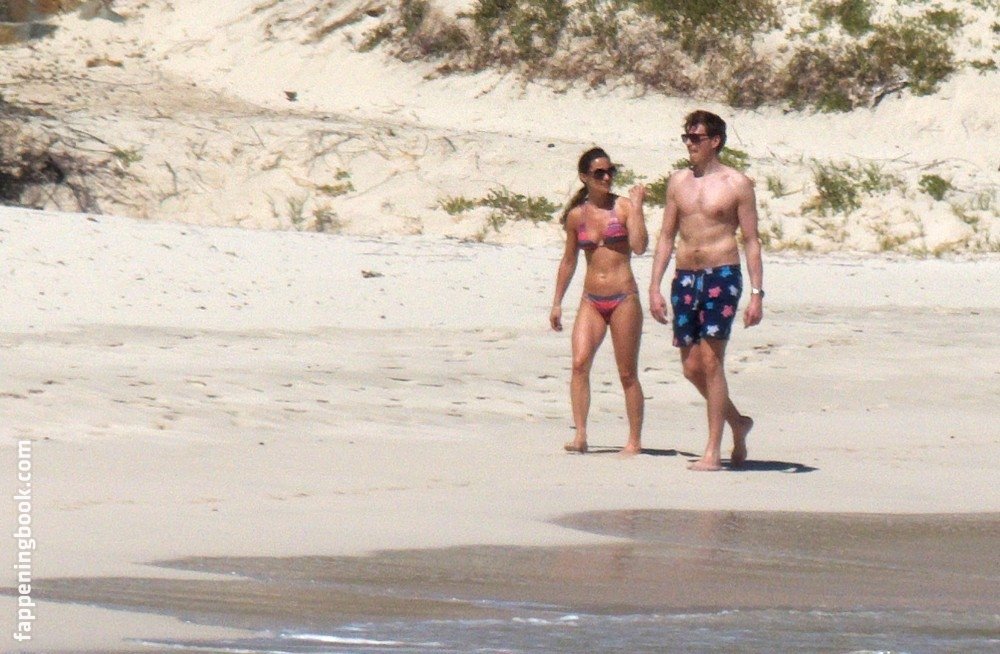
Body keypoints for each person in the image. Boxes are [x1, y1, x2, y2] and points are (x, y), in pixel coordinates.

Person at [648, 110, 764, 471]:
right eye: (687, 137)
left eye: (696, 138)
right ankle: (738, 423)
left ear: (715, 141)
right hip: (685, 276)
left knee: (712, 362)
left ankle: (713, 450)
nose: (690, 144)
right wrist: (654, 286)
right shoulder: (677, 182)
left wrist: (757, 293)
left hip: (722, 275)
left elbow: (752, 240)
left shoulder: (737, 184)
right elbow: (666, 236)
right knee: (690, 367)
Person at [551, 147, 649, 455]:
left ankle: (634, 440)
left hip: (624, 298)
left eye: (610, 172)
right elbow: (569, 260)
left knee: (627, 373)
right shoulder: (576, 216)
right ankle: (580, 435)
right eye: (599, 173)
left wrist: (638, 208)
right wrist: (557, 302)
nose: (607, 178)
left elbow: (640, 246)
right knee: (579, 363)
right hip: (591, 300)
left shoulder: (624, 207)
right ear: (585, 177)